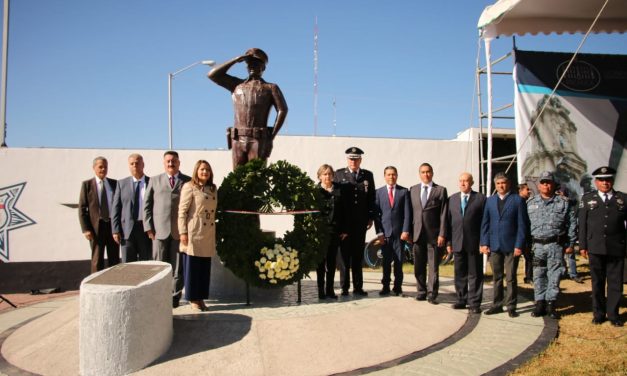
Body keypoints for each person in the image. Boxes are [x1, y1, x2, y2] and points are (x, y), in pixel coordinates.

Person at [208, 48, 288, 169]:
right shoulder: (236, 85)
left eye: (256, 63)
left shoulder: (270, 88)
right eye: (249, 63)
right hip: (237, 139)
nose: (252, 66)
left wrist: (271, 136)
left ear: (263, 67)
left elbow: (282, 110)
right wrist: (235, 60)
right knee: (236, 180)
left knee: (257, 179)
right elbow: (213, 75)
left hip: (258, 140)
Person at [578, 166, 626, 327]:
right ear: (596, 182)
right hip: (595, 246)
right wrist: (583, 245)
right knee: (597, 282)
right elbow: (582, 224)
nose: (605, 183)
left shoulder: (622, 199)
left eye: (608, 180)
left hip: (616, 247)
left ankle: (613, 314)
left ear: (612, 181)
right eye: (601, 180)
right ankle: (598, 314)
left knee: (615, 282)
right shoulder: (587, 199)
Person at [144, 151, 191, 308]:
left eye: (174, 161)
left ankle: (175, 296)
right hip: (159, 231)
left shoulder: (187, 181)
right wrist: (149, 227)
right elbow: (147, 206)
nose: (171, 164)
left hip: (179, 231)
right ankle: (159, 294)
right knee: (159, 265)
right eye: (168, 161)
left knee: (178, 266)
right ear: (164, 163)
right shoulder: (154, 180)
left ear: (179, 162)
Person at [527, 171, 577, 319]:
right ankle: (539, 303)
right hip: (537, 246)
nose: (545, 185)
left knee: (554, 275)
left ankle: (551, 304)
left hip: (555, 245)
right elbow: (525, 225)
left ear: (554, 184)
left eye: (548, 182)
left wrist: (571, 243)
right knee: (538, 274)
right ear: (539, 185)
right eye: (543, 182)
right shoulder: (530, 203)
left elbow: (571, 223)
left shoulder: (563, 203)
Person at [480, 172, 529, 318]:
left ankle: (511, 306)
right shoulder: (490, 201)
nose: (501, 186)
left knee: (511, 277)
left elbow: (522, 225)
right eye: (498, 183)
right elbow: (485, 223)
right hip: (494, 245)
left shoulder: (517, 200)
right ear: (496, 185)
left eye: (503, 183)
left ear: (508, 184)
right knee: (497, 277)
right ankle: (497, 304)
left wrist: (519, 245)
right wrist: (484, 242)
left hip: (511, 245)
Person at [334, 147, 375, 296]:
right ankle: (344, 287)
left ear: (360, 160)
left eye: (356, 159)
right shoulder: (339, 175)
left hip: (360, 223)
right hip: (345, 224)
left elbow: (371, 197)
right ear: (347, 160)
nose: (353, 161)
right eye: (351, 159)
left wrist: (370, 217)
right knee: (344, 256)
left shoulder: (367, 175)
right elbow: (336, 200)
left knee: (357, 255)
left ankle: (358, 287)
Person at [178, 160, 217, 312]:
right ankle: (193, 299)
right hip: (194, 231)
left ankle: (201, 298)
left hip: (207, 232)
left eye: (207, 170)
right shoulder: (189, 187)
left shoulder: (213, 189)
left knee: (204, 268)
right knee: (192, 268)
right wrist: (183, 233)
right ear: (196, 171)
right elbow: (182, 212)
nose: (205, 172)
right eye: (202, 169)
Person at [446, 172, 486, 314]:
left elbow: (484, 223)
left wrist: (483, 242)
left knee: (475, 274)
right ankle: (461, 300)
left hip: (474, 243)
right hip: (457, 242)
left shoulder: (480, 199)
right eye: (461, 181)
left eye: (466, 181)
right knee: (459, 273)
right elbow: (448, 223)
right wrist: (449, 242)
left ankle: (475, 302)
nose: (463, 183)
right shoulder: (452, 199)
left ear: (472, 183)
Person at [409, 163, 448, 304]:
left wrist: (442, 234)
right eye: (423, 172)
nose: (426, 174)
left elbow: (444, 214)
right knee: (418, 265)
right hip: (417, 234)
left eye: (428, 172)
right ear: (419, 174)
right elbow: (410, 213)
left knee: (433, 266)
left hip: (434, 235)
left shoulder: (440, 190)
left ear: (432, 173)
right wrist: (408, 232)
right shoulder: (413, 190)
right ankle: (421, 291)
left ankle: (432, 294)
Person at [373, 166, 412, 296]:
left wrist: (406, 230)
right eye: (388, 174)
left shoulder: (404, 192)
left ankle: (397, 287)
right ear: (384, 176)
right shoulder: (378, 192)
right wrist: (379, 233)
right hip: (385, 234)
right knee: (386, 262)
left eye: (393, 174)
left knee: (399, 262)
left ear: (397, 175)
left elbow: (407, 214)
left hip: (399, 234)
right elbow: (377, 215)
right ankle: (385, 286)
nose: (391, 177)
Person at [78, 156, 120, 273]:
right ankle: (97, 284)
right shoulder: (87, 185)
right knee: (97, 259)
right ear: (94, 168)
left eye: (105, 167)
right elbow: (82, 209)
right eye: (100, 167)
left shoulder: (114, 184)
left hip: (112, 226)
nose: (103, 169)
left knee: (114, 259)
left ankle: (115, 285)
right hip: (97, 228)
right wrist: (86, 229)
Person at [111, 153, 151, 262]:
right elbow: (116, 208)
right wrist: (115, 230)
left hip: (146, 230)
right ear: (129, 166)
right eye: (132, 164)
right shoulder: (121, 184)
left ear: (143, 165)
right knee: (128, 265)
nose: (134, 166)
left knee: (146, 264)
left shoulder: (152, 182)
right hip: (127, 231)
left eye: (137, 163)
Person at [316, 164, 344, 299]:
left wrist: (344, 229)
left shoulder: (338, 190)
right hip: (320, 232)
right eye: (324, 174)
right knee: (320, 262)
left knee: (332, 262)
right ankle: (321, 290)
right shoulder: (315, 191)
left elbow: (344, 212)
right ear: (320, 176)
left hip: (334, 231)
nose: (327, 176)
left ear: (333, 175)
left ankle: (330, 290)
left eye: (329, 174)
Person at [556, 187, 583, 284]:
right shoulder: (555, 204)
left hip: (567, 233)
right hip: (558, 234)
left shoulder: (570, 205)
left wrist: (572, 237)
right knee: (559, 255)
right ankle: (563, 272)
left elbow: (572, 222)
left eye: (561, 193)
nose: (559, 195)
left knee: (570, 255)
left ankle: (573, 274)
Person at [518, 183, 534, 285]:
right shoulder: (518, 202)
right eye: (527, 189)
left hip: (527, 235)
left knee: (529, 257)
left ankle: (529, 277)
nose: (529, 191)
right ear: (521, 190)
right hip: (519, 236)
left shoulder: (527, 202)